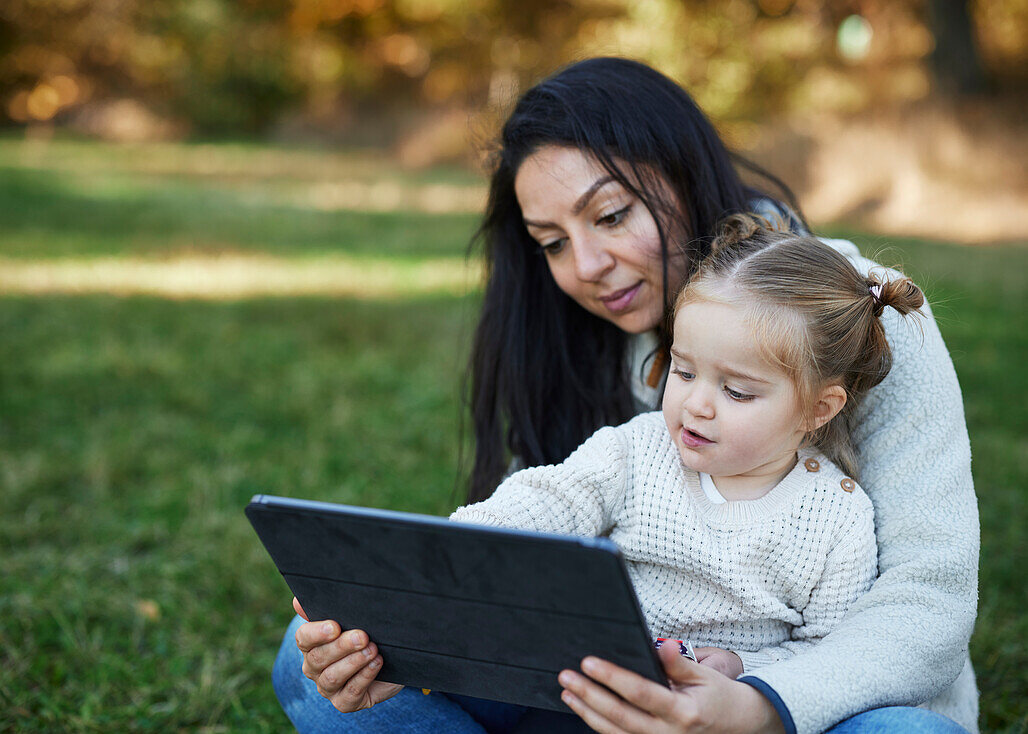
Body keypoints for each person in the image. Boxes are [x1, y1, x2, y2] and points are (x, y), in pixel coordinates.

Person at [273, 57, 979, 734]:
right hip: (604, 692)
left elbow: (927, 597)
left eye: (610, 216)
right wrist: (416, 623)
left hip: (812, 705)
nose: (584, 268)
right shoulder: (598, 352)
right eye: (550, 241)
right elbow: (545, 512)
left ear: (686, 172)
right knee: (313, 657)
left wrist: (757, 702)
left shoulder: (864, 318)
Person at [451, 213, 914, 681]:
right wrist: (466, 537)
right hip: (592, 679)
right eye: (684, 371)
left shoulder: (836, 520)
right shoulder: (639, 450)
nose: (696, 405)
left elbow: (830, 653)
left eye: (736, 391)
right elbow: (555, 499)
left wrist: (742, 667)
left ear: (819, 408)